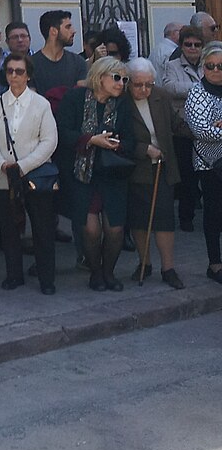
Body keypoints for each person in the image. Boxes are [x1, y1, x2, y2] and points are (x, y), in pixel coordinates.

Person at [57, 57, 135, 292]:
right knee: (90, 229)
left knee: (115, 229)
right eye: (117, 78)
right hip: (83, 173)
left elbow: (131, 140)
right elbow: (62, 132)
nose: (121, 83)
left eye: (125, 79)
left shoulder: (122, 104)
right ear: (100, 76)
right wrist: (91, 140)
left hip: (112, 173)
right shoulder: (75, 98)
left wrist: (114, 144)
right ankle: (95, 272)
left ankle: (109, 272)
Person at [0, 54, 58, 293]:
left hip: (34, 177)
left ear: (28, 75)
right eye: (10, 71)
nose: (14, 76)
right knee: (9, 229)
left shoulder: (41, 104)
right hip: (3, 178)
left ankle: (47, 279)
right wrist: (3, 164)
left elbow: (49, 141)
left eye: (19, 71)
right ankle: (14, 275)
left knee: (43, 229)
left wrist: (23, 166)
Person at [124, 59, 183, 290]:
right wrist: (143, 149)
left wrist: (202, 130)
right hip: (137, 169)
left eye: (149, 84)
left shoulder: (160, 96)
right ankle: (144, 263)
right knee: (139, 219)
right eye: (139, 85)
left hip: (163, 167)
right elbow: (120, 138)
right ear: (129, 82)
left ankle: (168, 268)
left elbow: (176, 124)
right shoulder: (122, 101)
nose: (144, 90)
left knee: (165, 219)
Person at [183, 40, 222, 285]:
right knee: (214, 213)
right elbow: (201, 130)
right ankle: (215, 263)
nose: (216, 70)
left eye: (220, 66)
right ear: (203, 68)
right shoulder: (197, 92)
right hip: (210, 164)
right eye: (210, 66)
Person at [163, 25, 204, 232]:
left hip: (207, 129)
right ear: (182, 46)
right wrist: (199, 88)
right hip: (183, 129)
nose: (193, 48)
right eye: (188, 44)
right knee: (187, 176)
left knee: (210, 174)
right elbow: (169, 88)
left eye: (197, 44)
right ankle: (186, 217)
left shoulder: (209, 64)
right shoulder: (173, 65)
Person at [31, 10, 87, 98]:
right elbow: (31, 101)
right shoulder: (31, 64)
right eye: (68, 27)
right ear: (53, 31)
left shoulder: (78, 62)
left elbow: (81, 97)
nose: (73, 31)